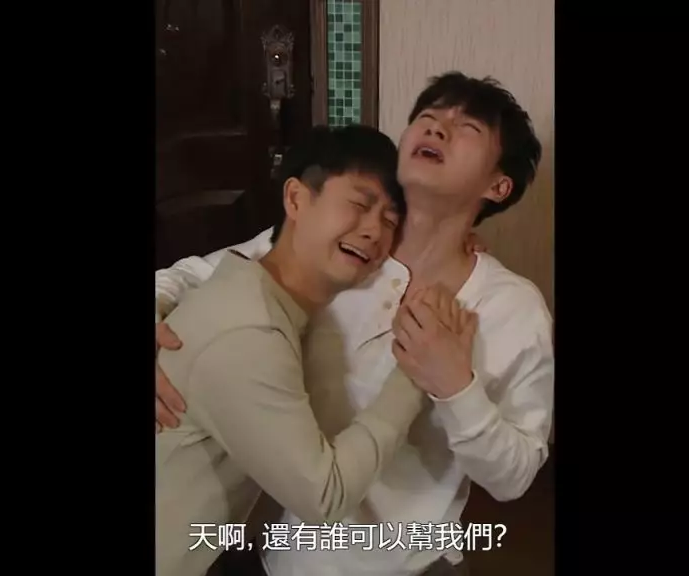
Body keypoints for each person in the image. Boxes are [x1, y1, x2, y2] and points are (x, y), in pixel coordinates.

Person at [155, 72, 554, 576]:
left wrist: (457, 387)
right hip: (273, 553)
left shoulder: (512, 308)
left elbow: (513, 477)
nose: (437, 128)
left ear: (498, 185)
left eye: (467, 127)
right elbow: (196, 276)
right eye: (428, 116)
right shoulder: (334, 247)